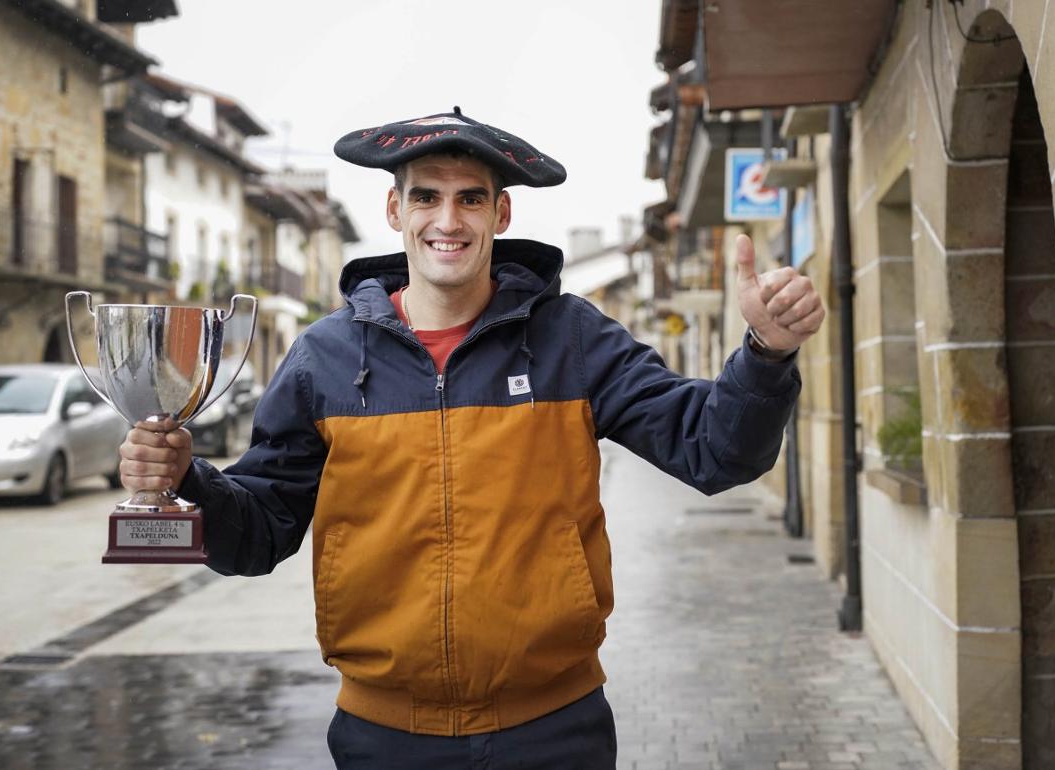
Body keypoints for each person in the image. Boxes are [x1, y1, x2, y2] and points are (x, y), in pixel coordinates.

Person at [118, 108, 825, 769]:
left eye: (470, 198)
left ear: (501, 212)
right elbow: (261, 534)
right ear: (395, 211)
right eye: (425, 197)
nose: (446, 220)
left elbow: (715, 450)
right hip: (383, 736)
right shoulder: (324, 359)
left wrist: (764, 352)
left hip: (556, 729)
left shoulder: (571, 339)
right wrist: (189, 478)